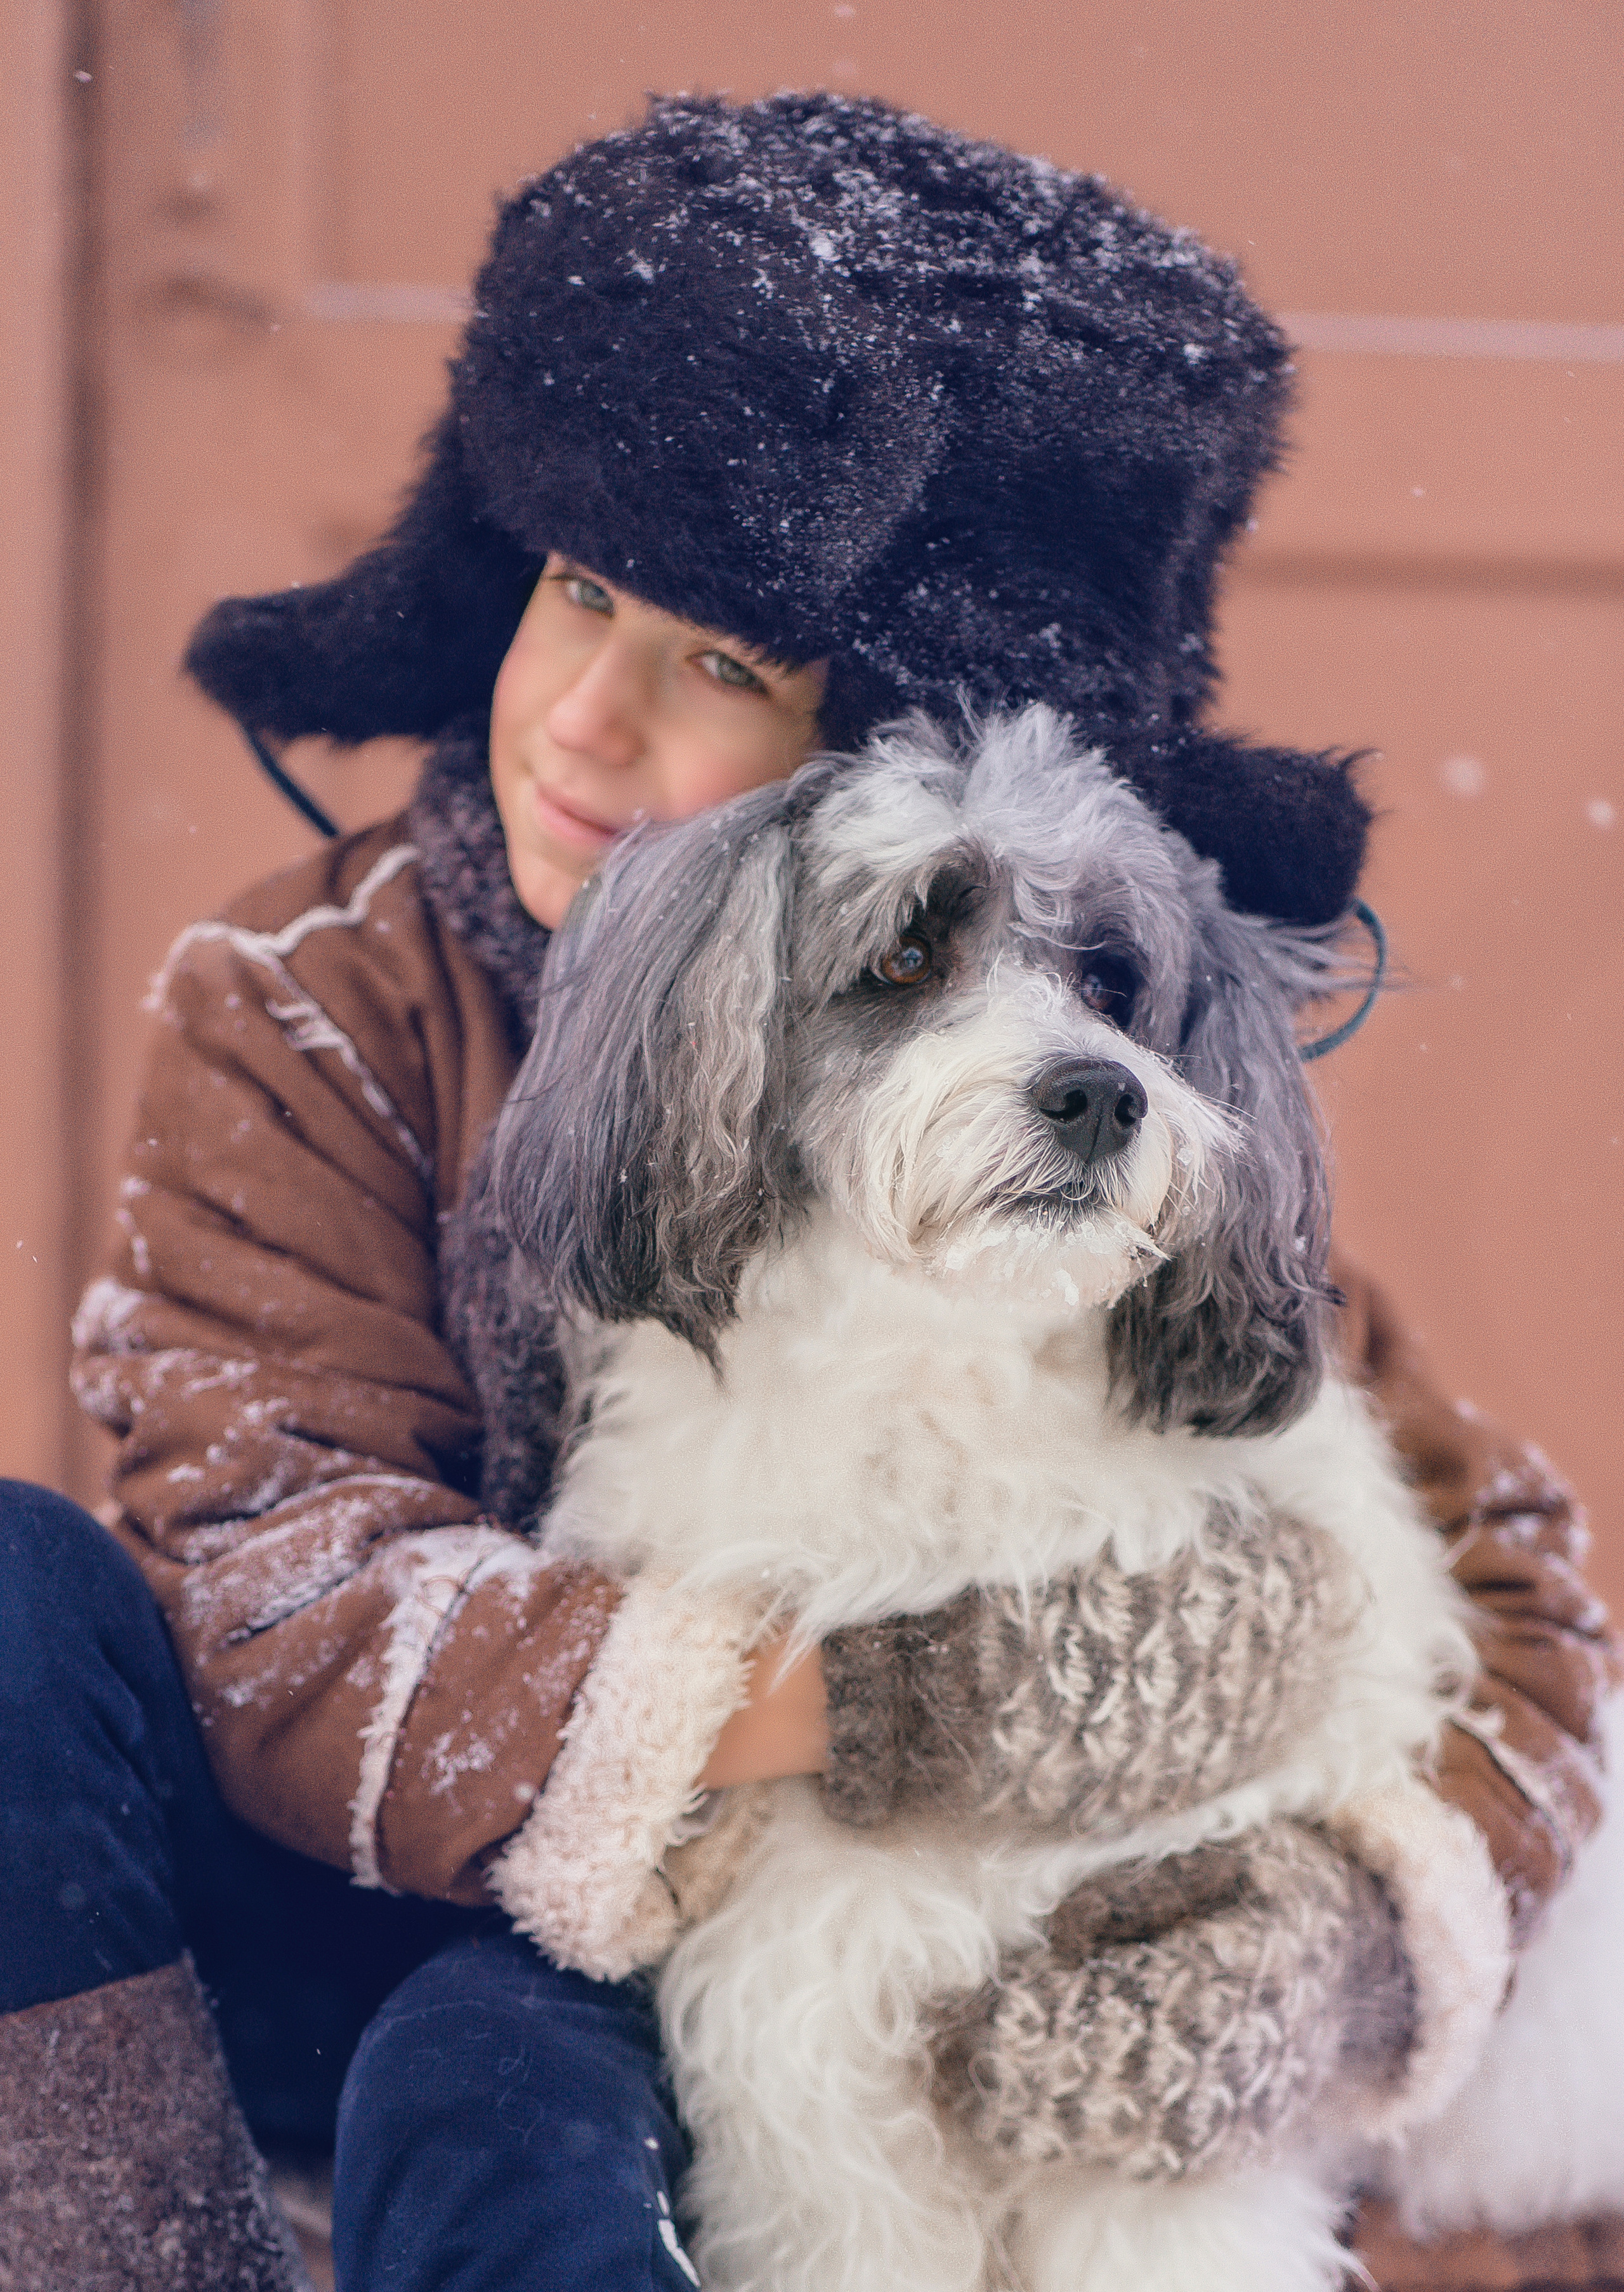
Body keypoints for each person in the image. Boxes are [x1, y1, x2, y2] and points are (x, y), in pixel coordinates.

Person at [1, 93, 1614, 2292]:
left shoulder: (1040, 1092)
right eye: (574, 591)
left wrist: (1327, 1941)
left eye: (721, 664)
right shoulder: (319, 1005)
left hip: (620, 1984)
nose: (578, 719)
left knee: (503, 2099)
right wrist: (897, 1699)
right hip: (348, 1877)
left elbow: (1500, 1570)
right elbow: (280, 1598)